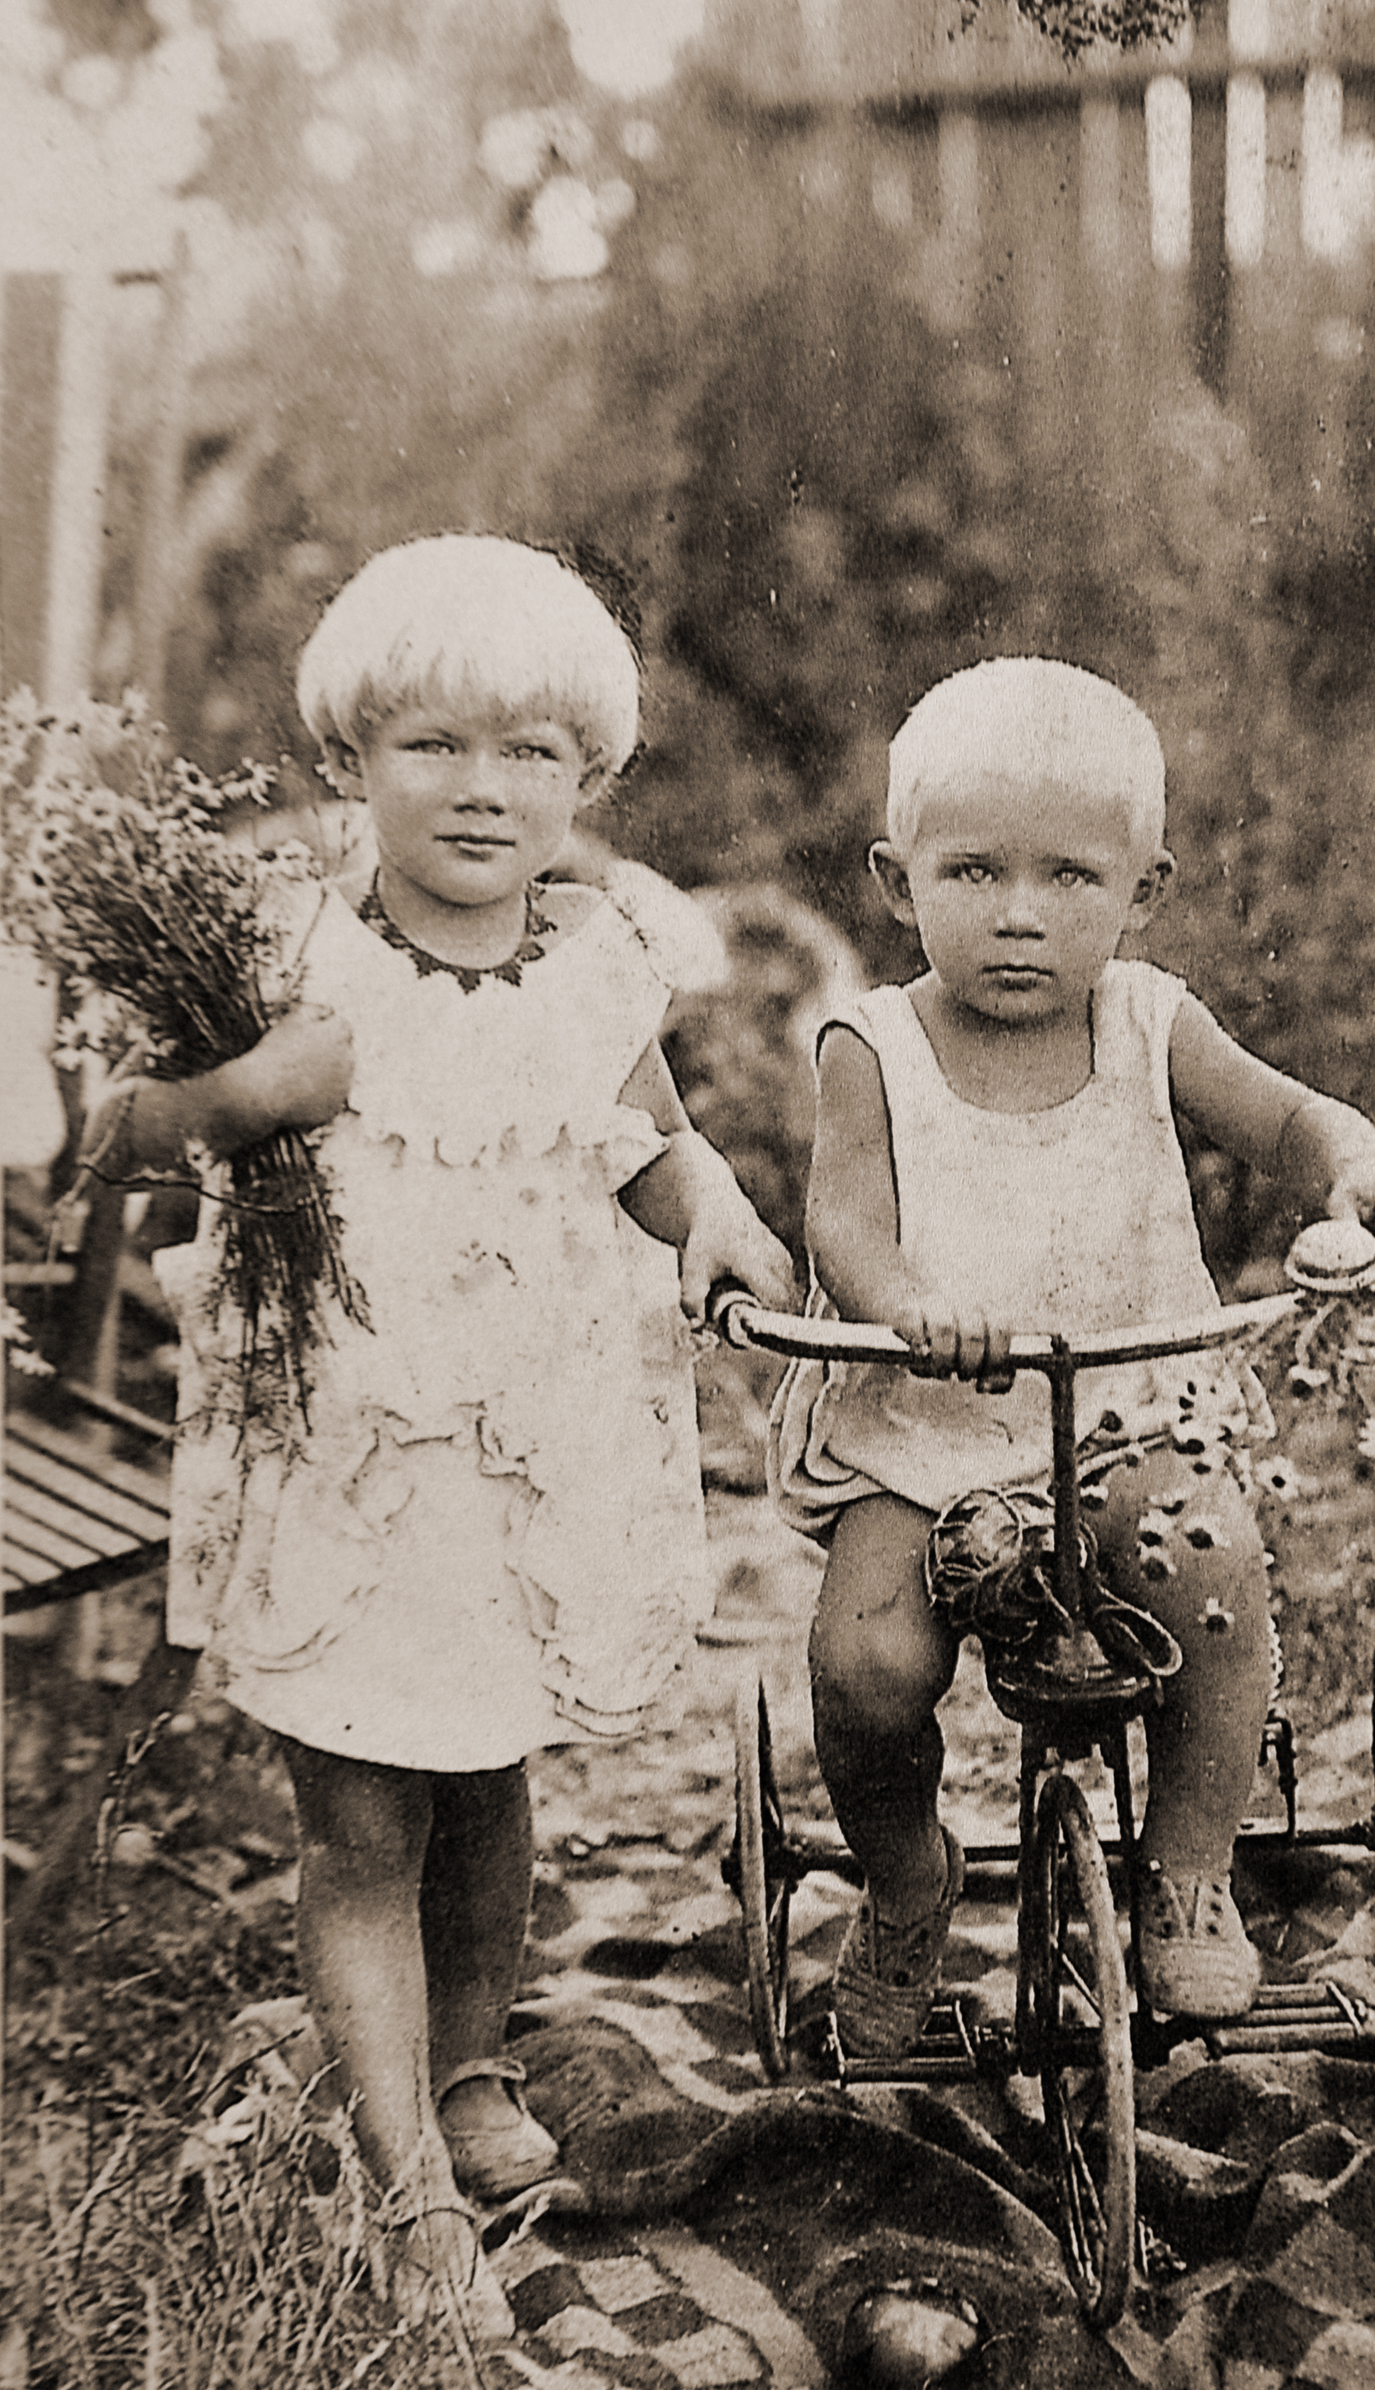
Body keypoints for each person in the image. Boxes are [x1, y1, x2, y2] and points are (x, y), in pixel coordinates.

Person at [83, 536, 795, 2342]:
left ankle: (467, 2064)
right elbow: (125, 1133)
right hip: (348, 1454)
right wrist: (250, 1093)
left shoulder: (598, 960)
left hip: (526, 1453)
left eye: (531, 754)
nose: (485, 790)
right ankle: (406, 2191)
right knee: (364, 1817)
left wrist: (716, 1215)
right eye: (435, 747)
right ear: (350, 761)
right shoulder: (285, 951)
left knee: (490, 1780)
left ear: (587, 778)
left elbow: (646, 1144)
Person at [770, 656, 1375, 2058]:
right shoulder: (873, 1045)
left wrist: (1359, 1167)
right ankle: (905, 1880)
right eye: (973, 873)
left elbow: (1287, 1121)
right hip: (930, 1428)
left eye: (1070, 877)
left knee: (1214, 1571)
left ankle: (1189, 1870)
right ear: (897, 882)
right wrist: (908, 1303)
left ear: (1143, 892)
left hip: (1132, 1412)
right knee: (865, 1660)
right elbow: (841, 1220)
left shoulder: (1149, 1022)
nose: (1019, 914)